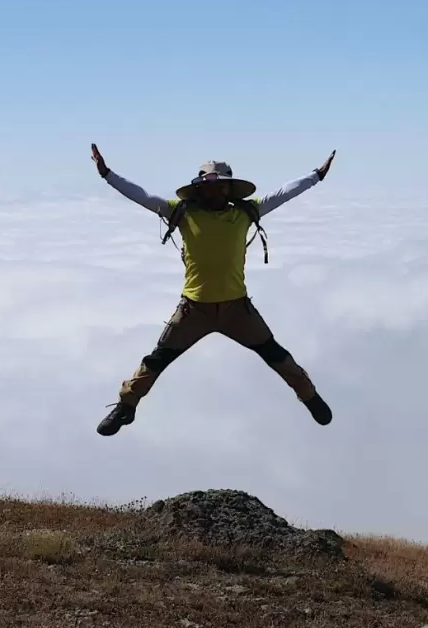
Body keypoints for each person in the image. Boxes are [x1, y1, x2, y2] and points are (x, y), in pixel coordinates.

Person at [90, 143, 336, 436]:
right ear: (199, 189)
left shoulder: (246, 211)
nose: (214, 191)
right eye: (209, 186)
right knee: (156, 359)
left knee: (276, 355)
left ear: (229, 190)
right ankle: (125, 406)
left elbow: (282, 194)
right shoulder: (181, 212)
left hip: (237, 310)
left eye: (220, 187)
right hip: (194, 309)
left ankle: (309, 396)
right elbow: (142, 196)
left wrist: (316, 176)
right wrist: (107, 174)